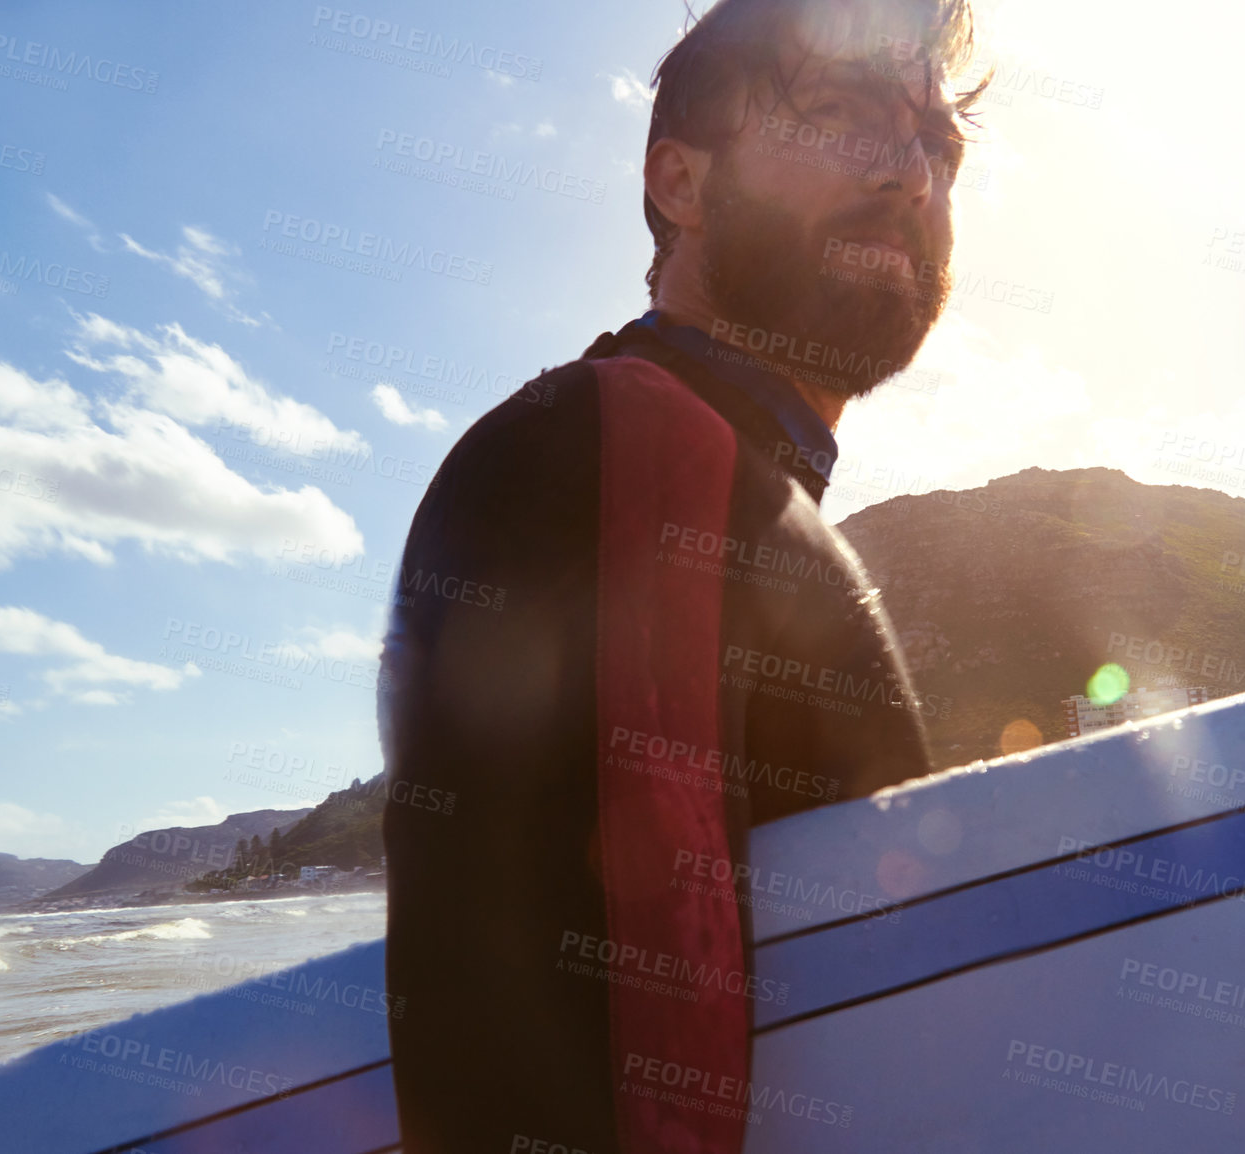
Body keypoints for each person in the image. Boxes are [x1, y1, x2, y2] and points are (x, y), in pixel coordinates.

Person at [376, 0, 985, 1150]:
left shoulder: (715, 481)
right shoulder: (611, 447)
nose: (909, 174)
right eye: (842, 113)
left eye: (936, 145)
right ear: (679, 181)